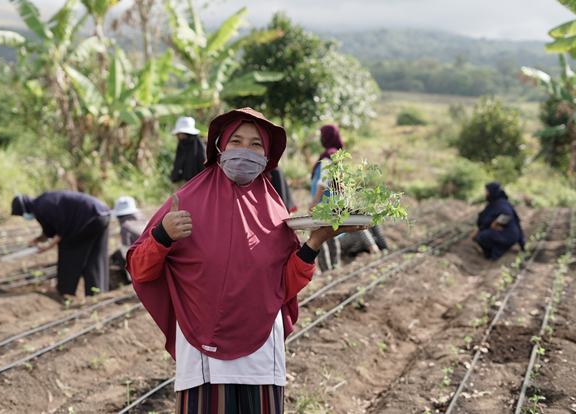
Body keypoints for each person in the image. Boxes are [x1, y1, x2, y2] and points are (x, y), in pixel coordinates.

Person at [126, 108, 366, 414]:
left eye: (255, 145)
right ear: (219, 148)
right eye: (236, 141)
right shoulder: (185, 201)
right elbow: (139, 269)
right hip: (203, 351)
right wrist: (162, 235)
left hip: (261, 350)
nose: (244, 151)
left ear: (267, 156)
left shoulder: (275, 210)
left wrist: (316, 241)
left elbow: (284, 286)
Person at [309, 124, 388, 271]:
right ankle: (335, 268)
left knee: (317, 238)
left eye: (322, 135)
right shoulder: (337, 155)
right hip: (332, 205)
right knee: (330, 236)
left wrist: (313, 203)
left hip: (322, 206)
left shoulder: (328, 155)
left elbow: (323, 181)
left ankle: (327, 270)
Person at [10, 191, 110, 299]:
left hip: (89, 216)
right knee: (95, 255)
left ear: (24, 209)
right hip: (102, 214)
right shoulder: (41, 204)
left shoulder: (43, 207)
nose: (24, 217)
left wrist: (47, 247)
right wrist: (37, 240)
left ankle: (63, 289)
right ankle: (97, 294)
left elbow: (63, 231)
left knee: (68, 249)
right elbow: (50, 231)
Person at [471, 182, 525, 260]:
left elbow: (507, 214)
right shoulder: (496, 203)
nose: (486, 193)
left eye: (487, 191)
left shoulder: (501, 203)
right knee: (482, 234)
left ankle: (492, 253)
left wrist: (495, 223)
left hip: (509, 235)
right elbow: (486, 222)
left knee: (483, 236)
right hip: (511, 233)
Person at [110, 196, 148, 281]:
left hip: (141, 262)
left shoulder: (125, 226)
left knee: (118, 255)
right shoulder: (144, 220)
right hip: (151, 255)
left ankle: (131, 279)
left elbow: (126, 251)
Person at [171, 116, 206, 183]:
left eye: (182, 134)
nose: (180, 136)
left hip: (197, 183)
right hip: (181, 183)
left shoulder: (199, 146)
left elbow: (203, 166)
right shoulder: (181, 146)